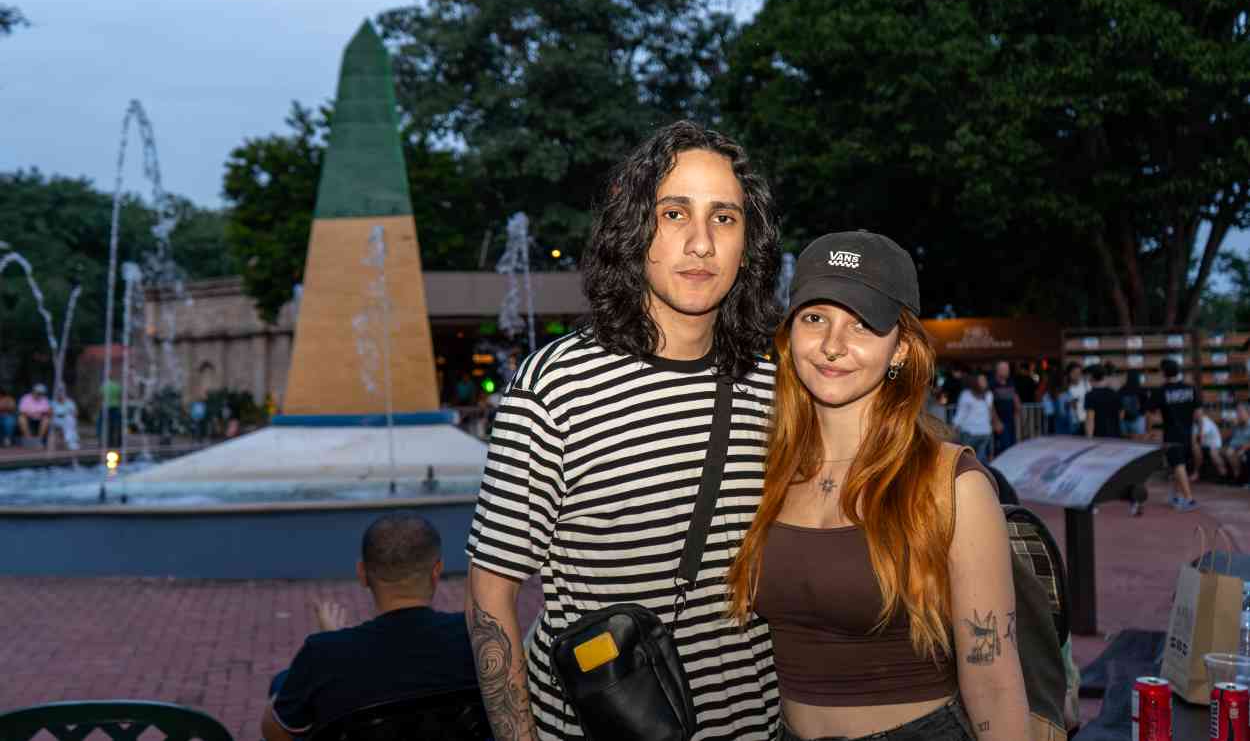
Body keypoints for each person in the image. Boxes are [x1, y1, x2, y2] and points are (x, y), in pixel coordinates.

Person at [465, 121, 782, 741]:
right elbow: (490, 592)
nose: (700, 243)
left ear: (748, 244)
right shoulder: (556, 388)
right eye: (673, 214)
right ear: (635, 228)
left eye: (724, 218)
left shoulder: (774, 383)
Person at [726, 231, 1028, 741]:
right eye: (814, 318)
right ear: (789, 334)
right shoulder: (767, 472)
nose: (832, 345)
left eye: (862, 324)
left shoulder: (951, 485)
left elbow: (995, 682)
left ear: (901, 349)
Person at [261, 512, 477, 740]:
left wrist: (334, 646)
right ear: (436, 571)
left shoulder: (322, 654)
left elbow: (275, 732)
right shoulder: (475, 636)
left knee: (283, 682)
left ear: (362, 573)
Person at [1148, 358, 1198, 511]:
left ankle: (1189, 499)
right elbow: (1198, 412)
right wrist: (1198, 433)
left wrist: (1150, 430)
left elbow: (1150, 412)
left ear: (1163, 372)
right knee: (1178, 464)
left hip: (1172, 433)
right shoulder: (1190, 389)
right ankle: (1177, 496)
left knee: (1177, 464)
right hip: (1188, 432)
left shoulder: (1161, 391)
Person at [952, 372, 996, 462]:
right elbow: (961, 413)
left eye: (985, 380)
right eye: (982, 380)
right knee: (978, 459)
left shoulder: (986, 395)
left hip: (977, 432)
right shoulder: (986, 395)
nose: (985, 382)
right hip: (977, 432)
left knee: (970, 460)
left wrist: (954, 426)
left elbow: (961, 414)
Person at [1082, 364, 1122, 439]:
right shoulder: (1115, 394)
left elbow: (1090, 419)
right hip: (1115, 436)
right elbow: (1121, 414)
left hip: (1098, 437)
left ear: (1090, 377)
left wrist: (1089, 438)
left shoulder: (1090, 395)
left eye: (1085, 377)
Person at [989, 361, 1021, 454]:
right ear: (998, 370)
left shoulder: (1011, 382)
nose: (1007, 371)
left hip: (1011, 420)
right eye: (1004, 369)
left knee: (1012, 446)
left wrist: (1017, 410)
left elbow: (1015, 397)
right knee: (1003, 448)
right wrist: (996, 422)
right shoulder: (992, 384)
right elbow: (990, 405)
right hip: (1000, 421)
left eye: (1007, 369)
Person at [1193, 407, 1227, 481]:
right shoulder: (1195, 423)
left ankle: (1223, 473)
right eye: (1195, 413)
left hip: (1215, 445)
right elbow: (1194, 439)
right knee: (1196, 449)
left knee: (1213, 452)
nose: (1196, 415)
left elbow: (1201, 437)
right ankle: (1196, 473)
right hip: (1204, 445)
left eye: (1198, 414)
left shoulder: (1206, 422)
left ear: (1202, 414)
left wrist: (1201, 424)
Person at [1222, 403, 1250, 485]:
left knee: (1236, 453)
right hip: (1234, 447)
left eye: (1241, 412)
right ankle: (1235, 476)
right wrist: (1233, 425)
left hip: (1245, 448)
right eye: (1237, 412)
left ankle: (1239, 477)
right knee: (1226, 451)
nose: (1238, 414)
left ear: (1248, 413)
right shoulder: (1237, 425)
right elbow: (1230, 438)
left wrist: (1243, 449)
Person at [49, 386, 80, 453]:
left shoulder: (70, 402)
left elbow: (76, 414)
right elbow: (50, 414)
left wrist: (69, 412)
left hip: (68, 421)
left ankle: (70, 441)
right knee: (68, 422)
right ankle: (71, 442)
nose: (60, 395)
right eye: (58, 394)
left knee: (69, 420)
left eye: (61, 393)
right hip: (56, 420)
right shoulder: (53, 403)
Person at [1118, 370, 1148, 439]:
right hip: (1138, 419)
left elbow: (1118, 405)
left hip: (1124, 420)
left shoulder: (1122, 390)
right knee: (1138, 442)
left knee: (1123, 441)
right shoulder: (1142, 390)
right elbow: (1146, 406)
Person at [1066, 363, 1090, 436]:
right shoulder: (1066, 388)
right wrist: (1070, 404)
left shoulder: (1086, 385)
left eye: (1079, 373)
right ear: (1069, 374)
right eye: (1074, 372)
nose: (1077, 375)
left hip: (1085, 420)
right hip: (1072, 422)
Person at [98, 377, 122, 448]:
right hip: (115, 407)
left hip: (105, 407)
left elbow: (101, 396)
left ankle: (104, 442)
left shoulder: (104, 385)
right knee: (115, 425)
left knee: (104, 426)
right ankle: (117, 442)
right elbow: (119, 396)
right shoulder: (117, 386)